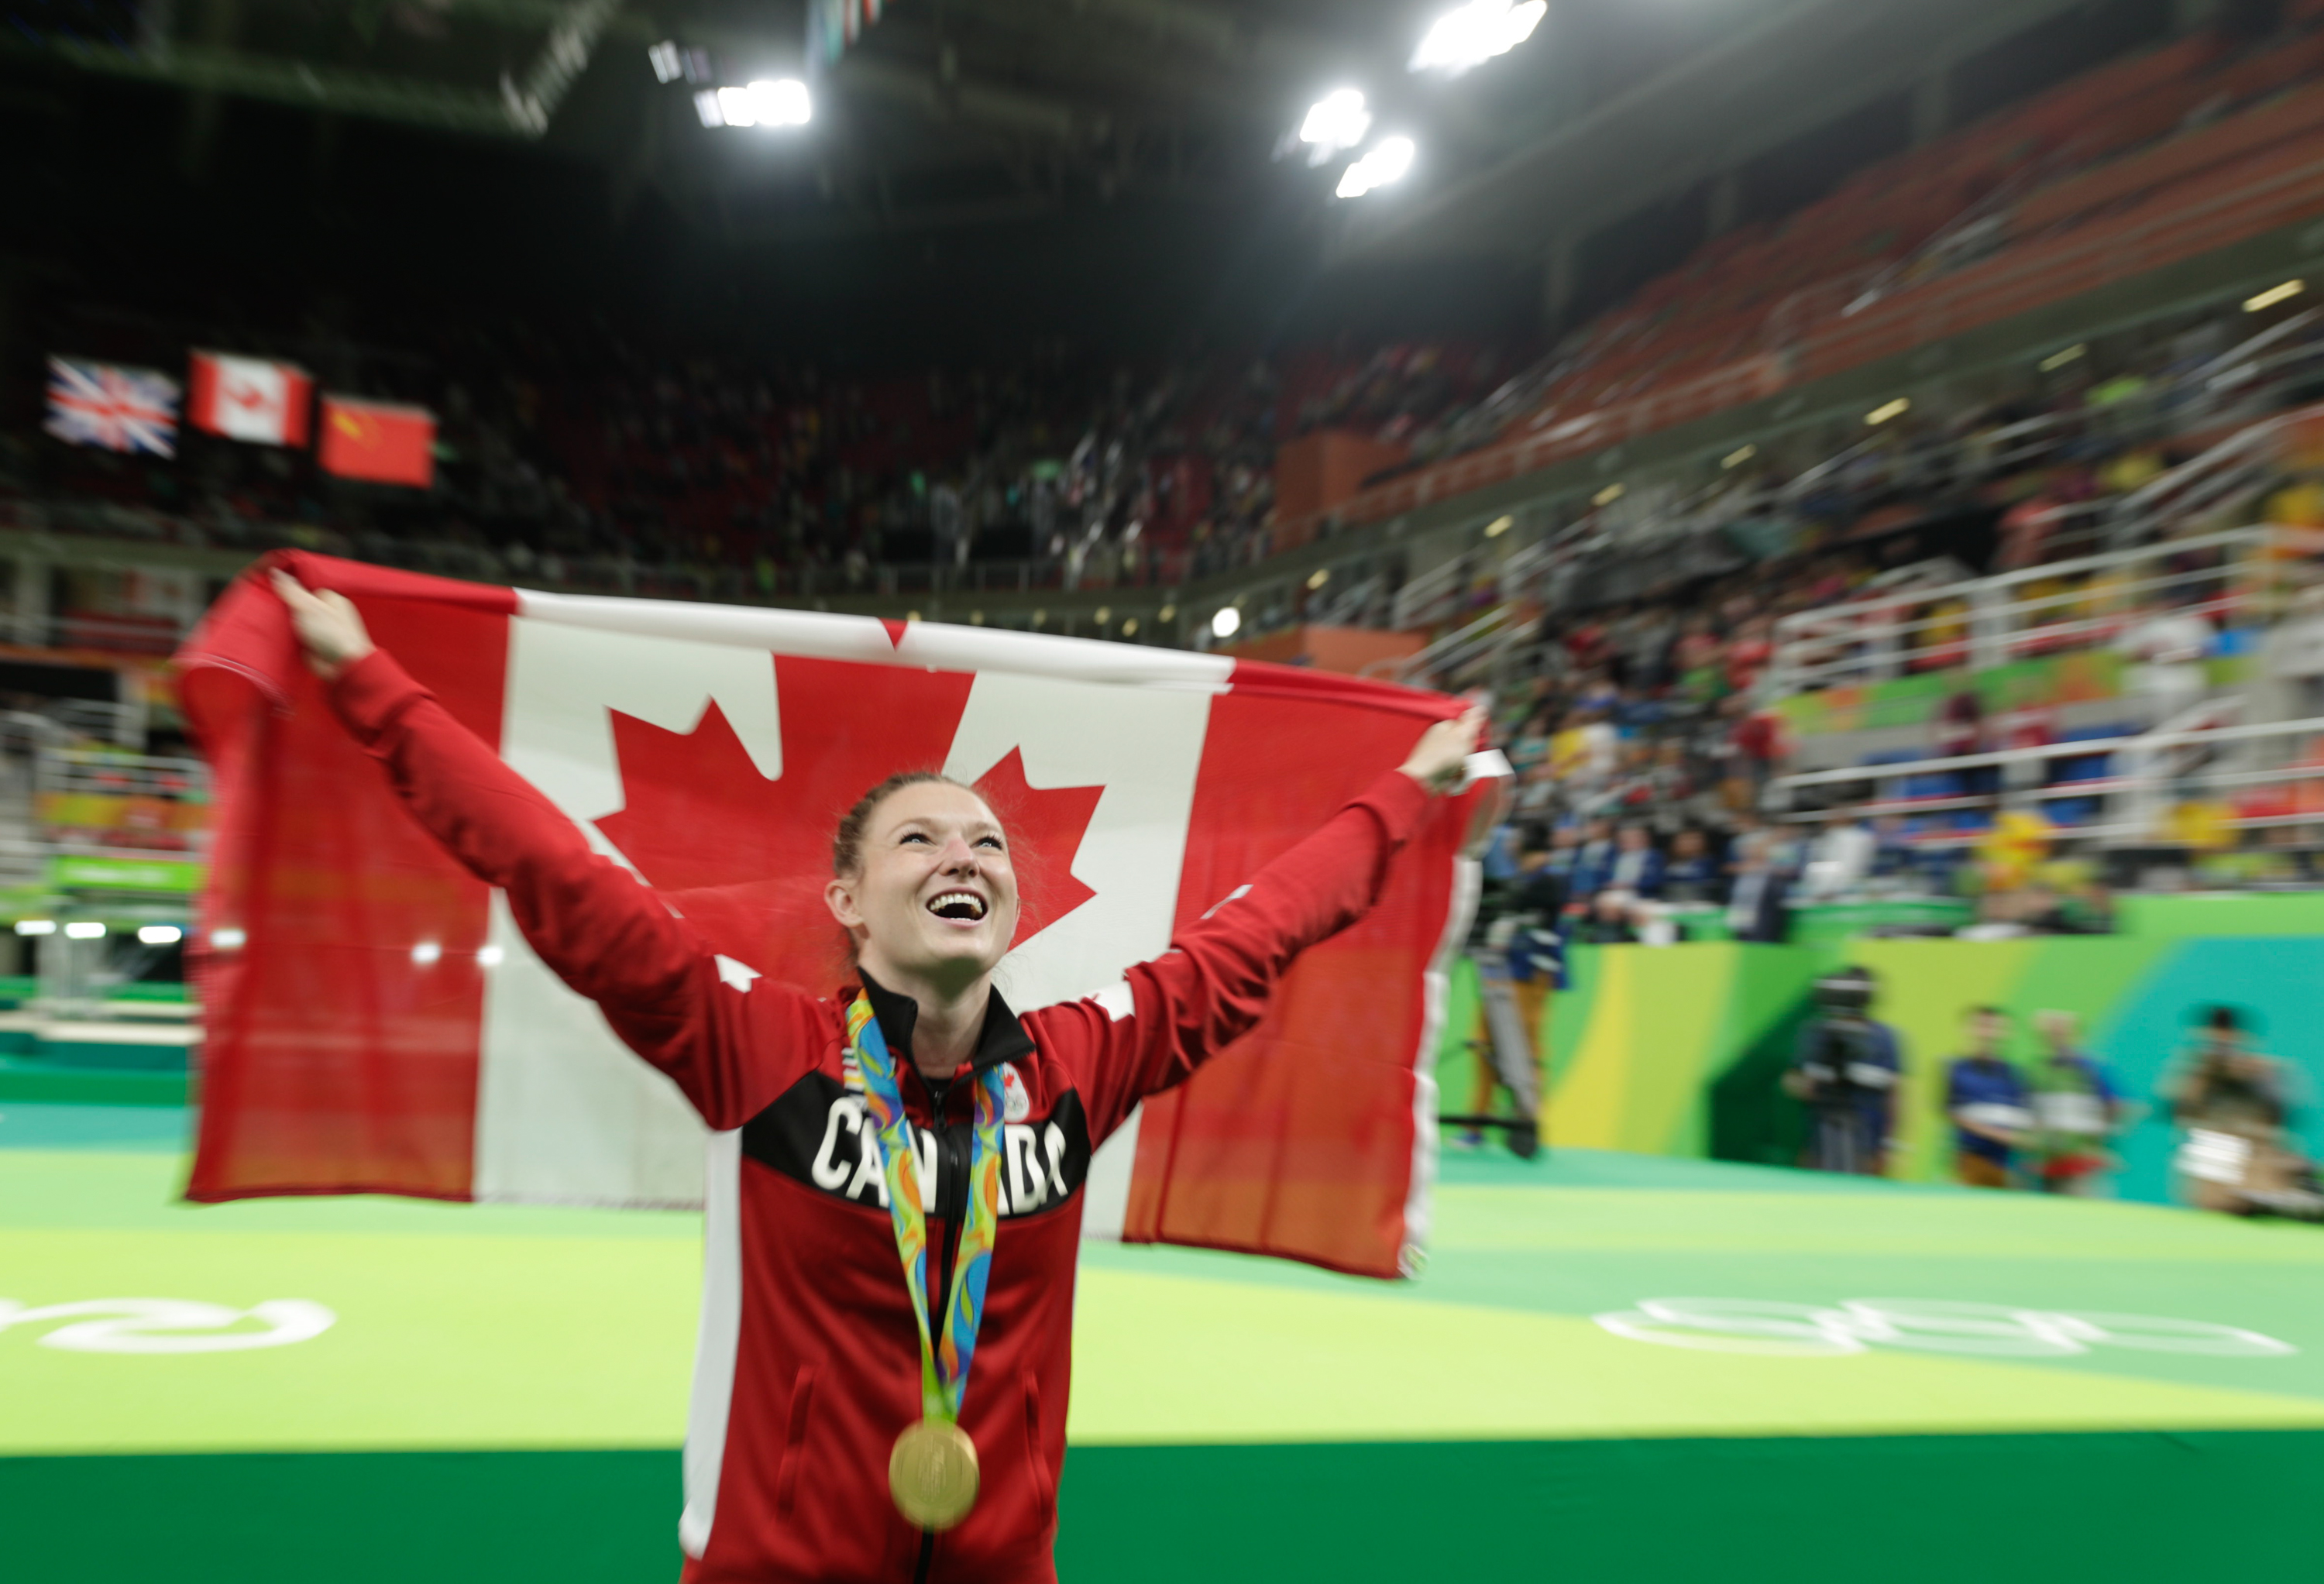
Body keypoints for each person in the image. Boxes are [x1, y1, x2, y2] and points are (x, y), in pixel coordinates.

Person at [267, 569, 1485, 1583]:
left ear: (1013, 900)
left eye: (989, 844)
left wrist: (1406, 792)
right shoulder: (756, 1046)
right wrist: (370, 683)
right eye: (923, 838)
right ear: (847, 902)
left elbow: (1257, 931)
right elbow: (557, 874)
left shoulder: (1077, 1064)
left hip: (1004, 1564)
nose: (966, 855)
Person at [1784, 966, 1903, 1176]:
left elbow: (1896, 1094)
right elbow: (1793, 1082)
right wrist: (1810, 1083)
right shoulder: (1815, 1032)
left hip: (1868, 1141)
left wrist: (1889, 1144)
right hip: (1819, 1139)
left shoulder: (1884, 1037)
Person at [2025, 1010, 2125, 1197]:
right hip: (2048, 1163)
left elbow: (2117, 1105)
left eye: (2063, 1033)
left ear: (2076, 1036)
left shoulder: (2092, 1068)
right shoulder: (2038, 1070)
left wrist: (2100, 1143)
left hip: (2082, 1165)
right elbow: (2034, 1114)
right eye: (2051, 1034)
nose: (2057, 1039)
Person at [1944, 1007, 2030, 1189]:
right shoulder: (1957, 1069)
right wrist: (1996, 1134)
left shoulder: (2015, 1074)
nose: (1988, 1033)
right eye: (1982, 1026)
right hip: (1972, 1160)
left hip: (2010, 1164)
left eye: (1994, 1027)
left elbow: (2025, 1117)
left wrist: (2022, 1139)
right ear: (1970, 1029)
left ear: (2005, 1032)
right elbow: (1951, 1111)